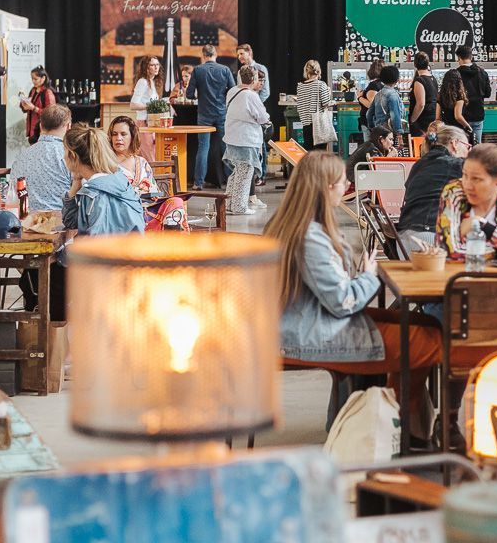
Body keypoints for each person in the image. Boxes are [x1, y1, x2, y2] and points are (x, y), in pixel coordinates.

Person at [269, 151, 449, 434]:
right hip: (312, 334)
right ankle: (402, 429)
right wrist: (368, 275)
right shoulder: (311, 238)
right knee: (430, 340)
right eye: (343, 182)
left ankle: (393, 426)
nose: (347, 187)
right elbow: (343, 301)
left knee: (422, 326)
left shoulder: (292, 226)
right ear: (327, 188)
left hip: (307, 325)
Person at [52, 124, 144, 320]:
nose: (63, 158)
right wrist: (76, 183)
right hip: (132, 262)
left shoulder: (95, 195)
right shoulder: (116, 180)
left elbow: (98, 247)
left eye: (65, 153)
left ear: (73, 157)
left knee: (46, 274)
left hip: (109, 273)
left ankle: (56, 332)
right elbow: (71, 221)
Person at [397, 124, 470, 254]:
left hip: (403, 242)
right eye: (467, 146)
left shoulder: (419, 164)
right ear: (454, 143)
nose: (468, 152)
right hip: (430, 240)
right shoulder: (456, 164)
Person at [187, 44, 237, 189]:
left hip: (204, 115)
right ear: (216, 54)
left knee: (203, 148)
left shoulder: (198, 70)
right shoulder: (225, 70)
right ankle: (231, 181)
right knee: (225, 146)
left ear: (203, 55)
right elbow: (233, 90)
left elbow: (189, 94)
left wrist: (199, 95)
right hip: (221, 113)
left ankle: (198, 183)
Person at [223, 65, 271, 214]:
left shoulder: (232, 91)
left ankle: (229, 203)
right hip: (246, 139)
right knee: (245, 173)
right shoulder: (251, 95)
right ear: (254, 78)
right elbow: (262, 117)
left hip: (231, 137)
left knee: (236, 172)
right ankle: (240, 207)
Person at [10, 104, 73, 211]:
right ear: (68, 127)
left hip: (26, 218)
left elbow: (12, 193)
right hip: (60, 219)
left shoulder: (22, 156)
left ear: (40, 126)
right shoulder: (69, 155)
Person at [108, 115, 158, 196]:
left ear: (132, 137)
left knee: (176, 201)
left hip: (148, 203)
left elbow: (154, 192)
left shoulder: (142, 162)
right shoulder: (107, 163)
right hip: (119, 204)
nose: (118, 138)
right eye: (114, 134)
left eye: (123, 134)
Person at [456, 45, 493, 143]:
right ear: (471, 57)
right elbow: (488, 93)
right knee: (476, 146)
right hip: (478, 114)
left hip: (462, 117)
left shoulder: (455, 74)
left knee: (462, 146)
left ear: (459, 58)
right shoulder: (482, 72)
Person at [295, 59, 333, 152]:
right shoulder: (321, 85)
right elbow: (326, 103)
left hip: (306, 125)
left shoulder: (300, 86)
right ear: (318, 71)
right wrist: (330, 95)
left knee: (309, 152)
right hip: (319, 125)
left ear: (306, 71)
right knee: (320, 153)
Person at [367, 65, 406, 149]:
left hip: (379, 132)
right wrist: (399, 136)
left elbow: (369, 114)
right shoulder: (393, 95)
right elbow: (395, 116)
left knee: (381, 154)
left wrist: (373, 128)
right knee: (391, 154)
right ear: (396, 79)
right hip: (390, 134)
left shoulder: (378, 94)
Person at [19, 66, 57, 145]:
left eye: (35, 79)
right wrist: (24, 104)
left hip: (43, 130)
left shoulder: (48, 92)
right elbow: (28, 108)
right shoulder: (33, 90)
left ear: (43, 78)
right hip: (32, 130)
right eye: (32, 79)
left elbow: (51, 114)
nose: (33, 81)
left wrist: (33, 108)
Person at [409, 52, 439, 136]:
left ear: (415, 64)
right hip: (432, 116)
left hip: (422, 120)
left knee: (420, 142)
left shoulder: (419, 80)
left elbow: (421, 104)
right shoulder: (433, 78)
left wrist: (412, 120)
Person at [437, 68, 474, 136]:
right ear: (459, 81)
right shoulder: (459, 95)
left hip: (446, 130)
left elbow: (437, 118)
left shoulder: (441, 95)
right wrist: (468, 126)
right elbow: (458, 116)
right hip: (458, 131)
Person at [129, 55, 162, 125]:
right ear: (146, 68)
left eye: (157, 64)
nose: (156, 67)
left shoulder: (152, 81)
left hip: (152, 120)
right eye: (152, 65)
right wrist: (151, 106)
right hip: (144, 121)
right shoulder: (143, 82)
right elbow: (133, 105)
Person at [358, 59, 385, 133]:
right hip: (381, 120)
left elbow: (372, 104)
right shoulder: (384, 84)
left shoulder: (374, 85)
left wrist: (359, 97)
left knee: (371, 140)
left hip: (370, 122)